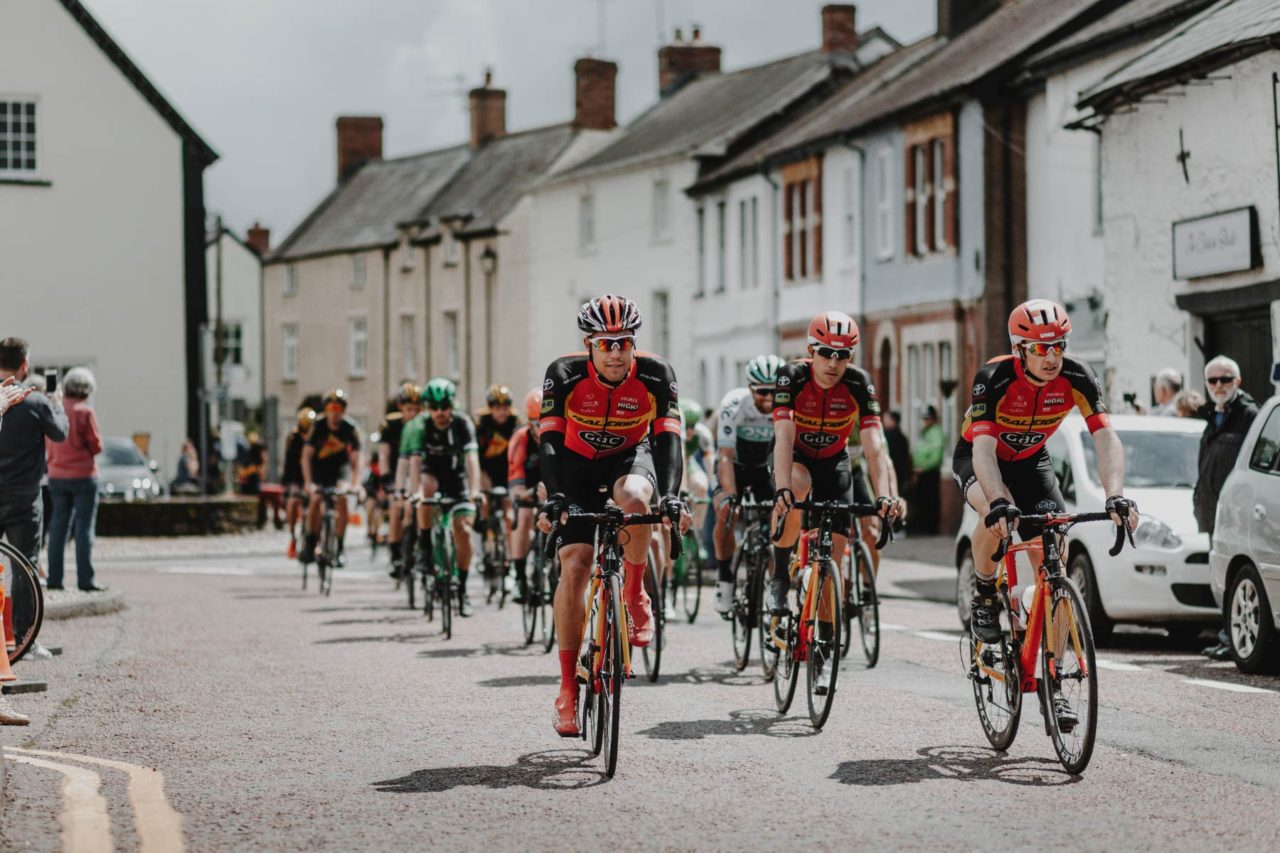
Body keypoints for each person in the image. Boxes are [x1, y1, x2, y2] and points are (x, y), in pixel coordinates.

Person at [955, 299, 1137, 729]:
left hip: (1033, 461)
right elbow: (982, 450)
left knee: (1055, 551)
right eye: (1040, 348)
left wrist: (1116, 495)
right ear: (1020, 349)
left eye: (1058, 345)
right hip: (983, 459)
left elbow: (1106, 438)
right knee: (993, 518)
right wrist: (999, 499)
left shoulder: (1077, 375)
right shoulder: (994, 377)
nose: (1052, 356)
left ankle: (1054, 681)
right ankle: (984, 593)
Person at [536, 294, 688, 736]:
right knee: (576, 565)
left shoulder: (657, 375)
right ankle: (567, 687)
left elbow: (669, 441)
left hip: (628, 458)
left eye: (624, 342)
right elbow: (548, 442)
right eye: (606, 344)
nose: (617, 352)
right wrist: (556, 496)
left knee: (638, 502)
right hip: (575, 466)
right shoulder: (563, 374)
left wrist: (673, 496)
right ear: (589, 344)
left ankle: (636, 594)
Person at [769, 311, 901, 688]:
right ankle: (780, 574)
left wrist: (886, 496)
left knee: (836, 558)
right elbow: (781, 436)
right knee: (796, 487)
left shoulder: (859, 384)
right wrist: (781, 490)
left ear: (852, 357)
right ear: (811, 351)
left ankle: (824, 649)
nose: (833, 363)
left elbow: (876, 448)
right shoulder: (792, 377)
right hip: (793, 457)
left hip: (835, 463)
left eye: (843, 355)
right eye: (825, 353)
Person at [1192, 355, 1259, 661]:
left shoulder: (1248, 416)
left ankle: (1231, 639)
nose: (1219, 386)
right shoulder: (1212, 415)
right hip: (1212, 510)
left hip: (1236, 511)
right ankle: (1226, 635)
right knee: (1219, 577)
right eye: (1213, 381)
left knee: (1233, 576)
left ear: (1238, 382)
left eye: (1226, 380)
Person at [402, 378, 484, 616]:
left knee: (464, 531)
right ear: (428, 408)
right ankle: (426, 547)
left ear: (452, 405)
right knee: (425, 487)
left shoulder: (462, 423)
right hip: (431, 478)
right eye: (434, 408)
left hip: (458, 481)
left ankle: (463, 589)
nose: (440, 413)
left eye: (445, 407)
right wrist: (415, 491)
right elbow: (415, 462)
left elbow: (472, 459)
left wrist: (475, 490)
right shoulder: (421, 425)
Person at [711, 355, 781, 615]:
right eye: (762, 391)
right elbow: (725, 456)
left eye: (774, 391)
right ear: (751, 388)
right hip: (736, 468)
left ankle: (776, 587)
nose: (769, 397)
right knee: (728, 513)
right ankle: (724, 576)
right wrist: (729, 496)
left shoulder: (787, 407)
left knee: (782, 519)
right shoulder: (733, 404)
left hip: (766, 470)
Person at [0, 339, 69, 573]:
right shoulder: (34, 401)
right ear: (24, 365)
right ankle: (24, 611)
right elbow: (60, 433)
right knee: (24, 566)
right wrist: (57, 405)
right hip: (23, 495)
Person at [44, 367, 105, 591]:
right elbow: (96, 445)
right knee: (83, 528)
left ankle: (54, 579)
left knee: (58, 527)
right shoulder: (85, 412)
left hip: (57, 474)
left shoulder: (54, 408)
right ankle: (85, 580)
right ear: (87, 390)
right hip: (83, 476)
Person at [300, 390, 362, 566]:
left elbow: (357, 458)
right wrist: (308, 482)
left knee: (342, 498)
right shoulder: (317, 426)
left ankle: (340, 547)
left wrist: (355, 483)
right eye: (331, 409)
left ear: (344, 411)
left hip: (339, 469)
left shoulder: (350, 428)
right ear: (326, 410)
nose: (335, 413)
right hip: (319, 469)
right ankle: (310, 543)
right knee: (316, 499)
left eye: (339, 409)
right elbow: (306, 457)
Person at [507, 388, 546, 603]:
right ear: (530, 423)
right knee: (523, 518)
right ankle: (519, 577)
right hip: (528, 488)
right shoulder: (520, 439)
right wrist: (529, 493)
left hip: (552, 488)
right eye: (539, 425)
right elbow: (515, 484)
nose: (544, 430)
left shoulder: (563, 434)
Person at [380, 383, 420, 577]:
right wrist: (387, 480)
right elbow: (384, 456)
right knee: (396, 507)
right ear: (401, 408)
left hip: (418, 473)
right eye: (408, 409)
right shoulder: (391, 426)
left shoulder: (423, 425)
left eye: (416, 409)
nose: (412, 413)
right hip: (397, 473)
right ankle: (395, 555)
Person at [281, 410, 315, 558]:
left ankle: (315, 539)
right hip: (296, 477)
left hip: (313, 477)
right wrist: (289, 483)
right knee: (293, 501)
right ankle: (293, 536)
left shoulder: (316, 438)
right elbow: (288, 462)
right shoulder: (293, 438)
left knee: (315, 504)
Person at [911, 404, 944, 535]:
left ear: (934, 419)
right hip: (921, 473)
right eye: (924, 418)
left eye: (928, 418)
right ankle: (923, 527)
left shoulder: (936, 432)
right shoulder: (925, 432)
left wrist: (924, 467)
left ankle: (930, 529)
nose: (925, 421)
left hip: (929, 473)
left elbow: (936, 455)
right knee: (922, 501)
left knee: (930, 502)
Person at [882, 410, 912, 518]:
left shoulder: (886, 437)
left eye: (886, 419)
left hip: (890, 472)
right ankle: (900, 523)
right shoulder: (903, 437)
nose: (883, 422)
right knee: (899, 497)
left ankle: (893, 523)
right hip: (901, 472)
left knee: (890, 498)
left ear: (893, 421)